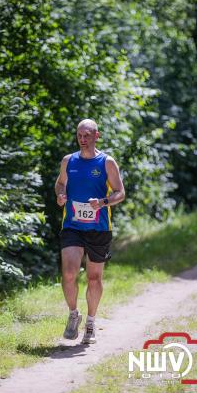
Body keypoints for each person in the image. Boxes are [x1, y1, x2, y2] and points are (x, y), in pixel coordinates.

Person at [55, 119, 125, 344]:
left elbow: (120, 193)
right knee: (68, 273)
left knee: (94, 278)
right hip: (73, 226)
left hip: (99, 228)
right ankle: (74, 315)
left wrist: (103, 202)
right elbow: (60, 184)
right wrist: (61, 194)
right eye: (79, 135)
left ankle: (91, 322)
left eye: (87, 135)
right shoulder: (69, 161)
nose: (82, 140)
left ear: (97, 136)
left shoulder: (107, 162)